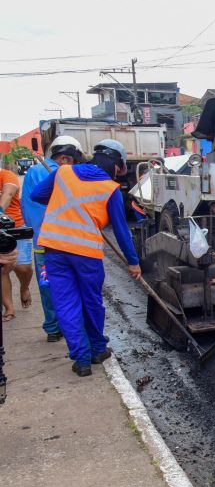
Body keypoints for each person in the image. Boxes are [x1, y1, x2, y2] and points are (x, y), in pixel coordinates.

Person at [32, 139, 141, 377]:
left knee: (66, 303)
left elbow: (36, 195)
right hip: (86, 254)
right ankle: (97, 350)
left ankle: (81, 360)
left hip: (55, 250)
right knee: (91, 302)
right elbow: (122, 231)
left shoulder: (64, 172)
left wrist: (62, 201)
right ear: (116, 165)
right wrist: (133, 262)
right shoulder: (110, 188)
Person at [20, 135, 83, 342]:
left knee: (47, 284)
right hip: (61, 243)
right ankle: (65, 326)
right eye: (73, 159)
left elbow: (25, 207)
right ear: (64, 158)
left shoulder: (32, 173)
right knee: (67, 285)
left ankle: (52, 328)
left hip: (41, 243)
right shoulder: (59, 173)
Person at [0, 166, 33, 322]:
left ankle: (24, 287)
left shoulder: (7, 176)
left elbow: (8, 194)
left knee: (23, 267)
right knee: (3, 269)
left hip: (16, 227)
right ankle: (9, 308)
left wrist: (0, 210)